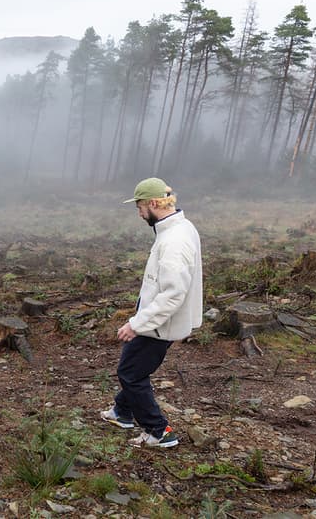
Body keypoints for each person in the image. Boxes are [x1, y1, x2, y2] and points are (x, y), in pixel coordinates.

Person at [100, 178, 202, 448]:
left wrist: (137, 324)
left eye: (140, 206)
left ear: (154, 203)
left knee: (131, 374)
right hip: (158, 321)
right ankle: (122, 413)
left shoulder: (174, 241)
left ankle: (158, 431)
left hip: (158, 324)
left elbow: (172, 294)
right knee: (133, 367)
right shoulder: (179, 228)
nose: (139, 213)